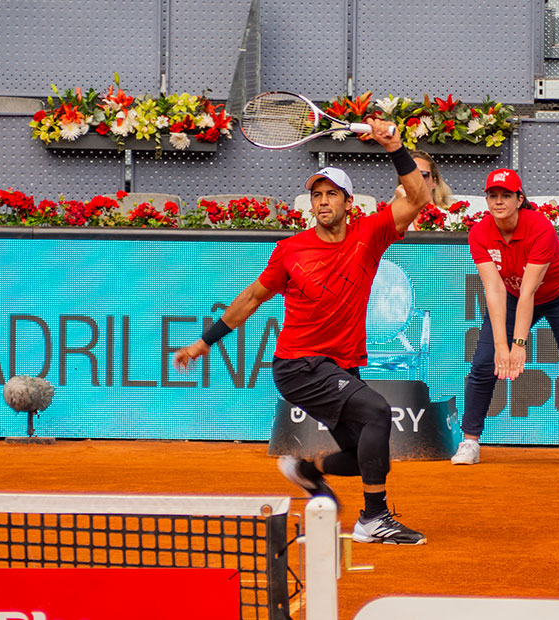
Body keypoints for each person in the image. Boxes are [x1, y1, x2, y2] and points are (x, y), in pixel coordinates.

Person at [173, 119, 431, 545]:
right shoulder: (290, 250)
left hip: (339, 364)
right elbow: (252, 297)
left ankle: (307, 471)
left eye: (331, 194)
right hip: (298, 365)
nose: (323, 201)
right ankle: (375, 518)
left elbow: (419, 196)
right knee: (378, 412)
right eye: (316, 195)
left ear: (348, 202)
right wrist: (204, 343)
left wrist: (395, 146)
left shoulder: (371, 234)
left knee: (368, 453)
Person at [451, 168, 559, 470]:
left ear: (520, 199)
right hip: (512, 293)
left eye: (506, 195)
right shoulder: (479, 233)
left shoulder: (540, 227)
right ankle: (470, 442)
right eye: (493, 196)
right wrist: (501, 347)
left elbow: (530, 290)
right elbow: (493, 291)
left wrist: (518, 345)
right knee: (483, 363)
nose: (499, 201)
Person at [391, 150, 453, 230]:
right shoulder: (390, 216)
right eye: (410, 175)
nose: (417, 180)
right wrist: (401, 206)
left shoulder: (451, 218)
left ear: (434, 183)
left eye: (423, 175)